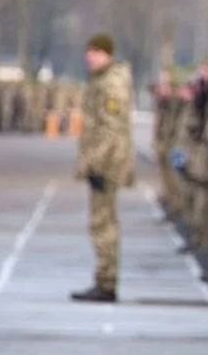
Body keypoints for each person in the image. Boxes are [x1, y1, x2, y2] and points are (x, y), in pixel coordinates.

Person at [71, 33, 135, 303]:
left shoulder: (111, 83)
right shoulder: (101, 80)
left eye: (95, 52)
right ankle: (104, 278)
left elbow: (111, 128)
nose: (90, 57)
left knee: (103, 223)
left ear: (107, 54)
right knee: (101, 222)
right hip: (103, 161)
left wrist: (97, 164)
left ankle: (106, 281)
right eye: (89, 52)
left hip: (107, 163)